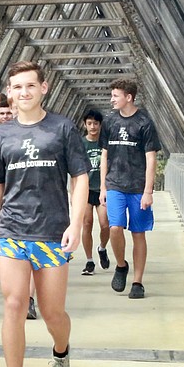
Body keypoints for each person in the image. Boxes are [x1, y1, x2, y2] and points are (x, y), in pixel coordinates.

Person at [0, 61, 89, 367]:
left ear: (44, 88)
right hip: (12, 230)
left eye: (29, 86)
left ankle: (60, 350)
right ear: (9, 92)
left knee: (53, 312)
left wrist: (75, 222)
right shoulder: (0, 136)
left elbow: (81, 179)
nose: (23, 93)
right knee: (15, 304)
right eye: (16, 87)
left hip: (52, 231)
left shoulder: (63, 129)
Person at [100, 79, 161, 299]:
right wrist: (103, 187)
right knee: (114, 227)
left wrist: (148, 191)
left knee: (138, 233)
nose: (112, 99)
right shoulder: (109, 122)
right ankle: (121, 265)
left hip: (137, 186)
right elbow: (104, 154)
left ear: (129, 97)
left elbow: (151, 158)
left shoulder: (144, 123)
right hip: (115, 183)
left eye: (116, 96)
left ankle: (137, 282)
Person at [80, 109, 111, 275]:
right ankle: (89, 260)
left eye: (96, 123)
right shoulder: (81, 144)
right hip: (85, 190)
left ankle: (102, 248)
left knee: (105, 223)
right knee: (87, 223)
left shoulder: (105, 143)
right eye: (89, 123)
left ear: (100, 125)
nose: (93, 127)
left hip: (102, 189)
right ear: (85, 125)